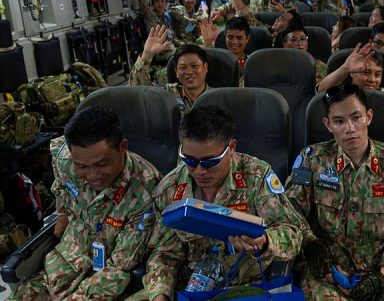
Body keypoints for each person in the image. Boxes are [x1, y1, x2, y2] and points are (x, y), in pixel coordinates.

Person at [284, 84, 384, 300]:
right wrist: (312, 247)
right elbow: (290, 213)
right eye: (339, 121)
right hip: (330, 272)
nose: (350, 128)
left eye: (356, 118)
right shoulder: (312, 161)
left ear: (369, 117)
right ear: (328, 125)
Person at [135, 106, 304, 301]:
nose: (199, 171)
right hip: (190, 286)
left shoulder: (256, 177)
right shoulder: (170, 189)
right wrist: (160, 294)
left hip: (245, 286)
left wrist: (266, 241)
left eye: (209, 162)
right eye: (189, 160)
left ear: (231, 148)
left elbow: (293, 233)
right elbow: (164, 254)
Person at [9, 106, 162, 301]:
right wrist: (62, 214)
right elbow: (61, 186)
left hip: (104, 278)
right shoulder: (64, 158)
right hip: (64, 262)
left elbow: (120, 266)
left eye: (102, 164)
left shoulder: (146, 190)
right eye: (81, 166)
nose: (92, 176)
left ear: (123, 147)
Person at [130, 26, 211, 116]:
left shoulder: (218, 96)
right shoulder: (169, 94)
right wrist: (146, 56)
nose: (189, 72)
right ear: (176, 72)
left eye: (194, 66)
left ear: (205, 67)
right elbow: (138, 90)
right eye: (183, 67)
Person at [199, 16, 250, 86]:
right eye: (230, 37)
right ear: (225, 37)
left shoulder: (251, 63)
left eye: (239, 38)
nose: (234, 42)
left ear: (247, 38)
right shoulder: (218, 61)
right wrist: (207, 42)